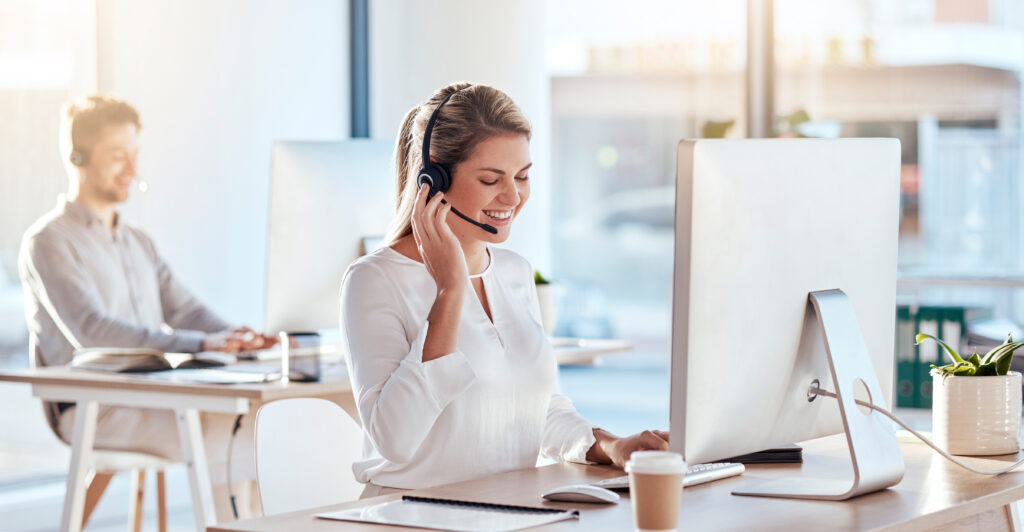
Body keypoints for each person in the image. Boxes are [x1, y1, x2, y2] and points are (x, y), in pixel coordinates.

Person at [340, 83, 670, 498]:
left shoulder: (514, 272)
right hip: (411, 516)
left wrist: (611, 446)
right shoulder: (374, 280)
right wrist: (450, 290)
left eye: (522, 176)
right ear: (433, 178)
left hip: (508, 511)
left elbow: (541, 409)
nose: (513, 197)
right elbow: (395, 440)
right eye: (491, 179)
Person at [18, 94, 273, 519]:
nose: (133, 171)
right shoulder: (48, 241)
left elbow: (186, 310)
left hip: (152, 395)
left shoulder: (137, 240)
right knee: (236, 432)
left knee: (262, 423)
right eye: (119, 156)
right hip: (96, 407)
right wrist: (202, 342)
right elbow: (92, 331)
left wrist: (242, 339)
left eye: (134, 155)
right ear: (77, 156)